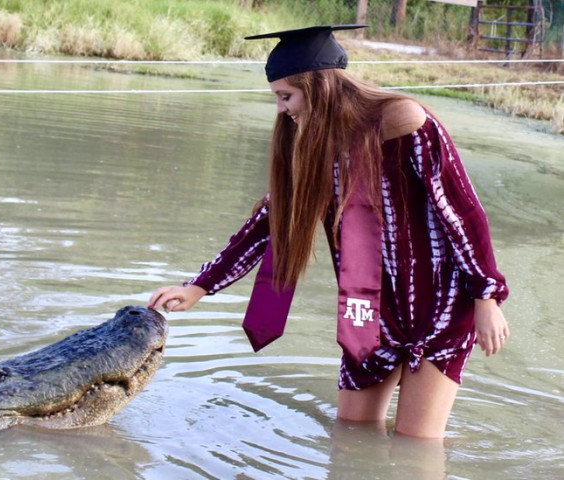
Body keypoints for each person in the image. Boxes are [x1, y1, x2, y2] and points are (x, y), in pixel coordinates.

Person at [149, 25, 509, 439]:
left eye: (286, 96)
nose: (282, 110)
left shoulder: (404, 122)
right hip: (369, 310)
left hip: (438, 307)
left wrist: (486, 296)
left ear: (317, 86)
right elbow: (270, 221)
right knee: (350, 435)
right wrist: (199, 286)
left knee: (416, 446)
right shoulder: (314, 146)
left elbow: (461, 212)